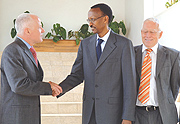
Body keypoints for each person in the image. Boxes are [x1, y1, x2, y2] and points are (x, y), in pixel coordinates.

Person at [57, 3, 137, 124]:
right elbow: (77, 75)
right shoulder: (85, 44)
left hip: (113, 113)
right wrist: (59, 88)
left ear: (105, 19)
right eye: (89, 20)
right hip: (89, 112)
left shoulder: (123, 44)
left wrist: (128, 116)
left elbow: (129, 82)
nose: (90, 24)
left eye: (93, 19)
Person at [0, 13, 62, 124]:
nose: (43, 30)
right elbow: (19, 85)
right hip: (17, 118)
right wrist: (48, 87)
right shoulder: (12, 51)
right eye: (39, 27)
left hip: (27, 116)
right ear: (28, 31)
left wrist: (49, 86)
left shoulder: (26, 50)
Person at [134, 18, 180, 124]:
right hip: (136, 114)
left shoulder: (173, 55)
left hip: (162, 115)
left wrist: (165, 102)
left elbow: (175, 86)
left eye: (152, 32)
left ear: (160, 34)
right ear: (141, 32)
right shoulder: (130, 53)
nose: (148, 35)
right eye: (145, 31)